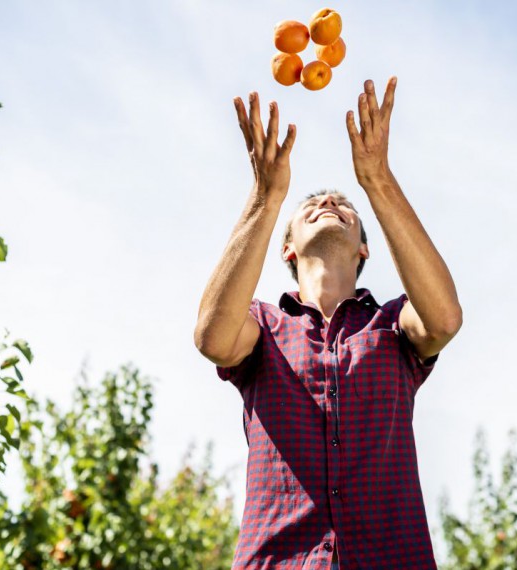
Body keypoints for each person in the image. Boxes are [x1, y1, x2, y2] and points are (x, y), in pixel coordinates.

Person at [194, 77, 463, 569]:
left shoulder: (392, 324)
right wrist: (266, 196)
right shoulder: (263, 326)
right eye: (311, 206)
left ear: (363, 248)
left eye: (344, 207)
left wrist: (377, 180)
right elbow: (213, 339)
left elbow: (444, 319)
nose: (329, 204)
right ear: (288, 249)